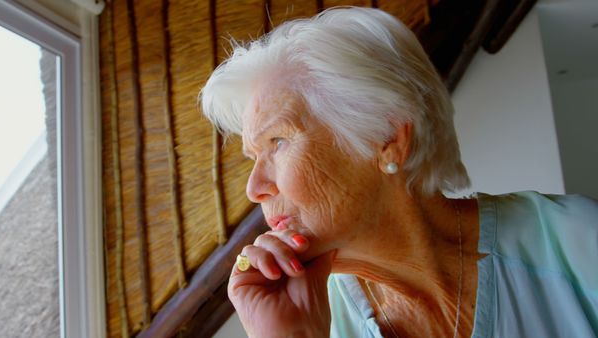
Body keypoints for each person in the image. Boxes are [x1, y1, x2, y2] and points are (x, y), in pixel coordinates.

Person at [200, 6, 598, 338]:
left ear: (387, 137)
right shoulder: (314, 321)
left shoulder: (575, 244)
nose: (255, 189)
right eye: (254, 157)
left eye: (278, 142)